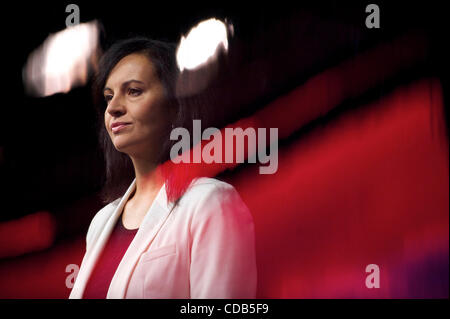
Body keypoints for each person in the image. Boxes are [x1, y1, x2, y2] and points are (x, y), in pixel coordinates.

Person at [69, 36, 257, 298]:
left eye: (133, 91)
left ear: (174, 105)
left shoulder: (211, 202)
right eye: (108, 97)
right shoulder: (100, 222)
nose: (113, 108)